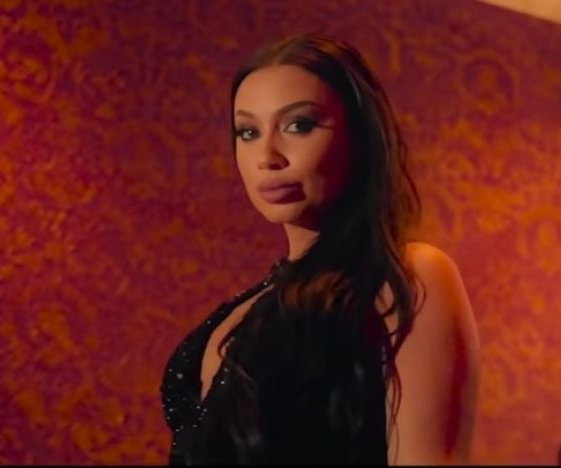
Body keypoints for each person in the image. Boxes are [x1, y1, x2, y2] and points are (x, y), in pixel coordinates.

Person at [160, 32, 480, 465]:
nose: (268, 156)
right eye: (248, 131)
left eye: (298, 125)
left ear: (360, 136)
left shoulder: (405, 275)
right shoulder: (250, 306)